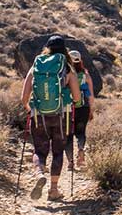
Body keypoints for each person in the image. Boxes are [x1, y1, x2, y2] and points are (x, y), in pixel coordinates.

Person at [21, 34, 81, 201]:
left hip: (39, 115)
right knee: (57, 151)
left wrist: (30, 109)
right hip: (62, 116)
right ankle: (53, 190)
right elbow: (76, 97)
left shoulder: (36, 65)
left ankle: (40, 173)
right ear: (64, 49)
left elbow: (24, 96)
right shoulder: (67, 67)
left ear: (47, 47)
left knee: (40, 151)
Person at [64, 49, 96, 170]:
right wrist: (91, 110)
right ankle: (81, 150)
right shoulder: (86, 75)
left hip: (69, 107)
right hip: (83, 107)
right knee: (81, 133)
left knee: (68, 135)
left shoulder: (66, 74)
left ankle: (70, 162)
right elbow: (91, 95)